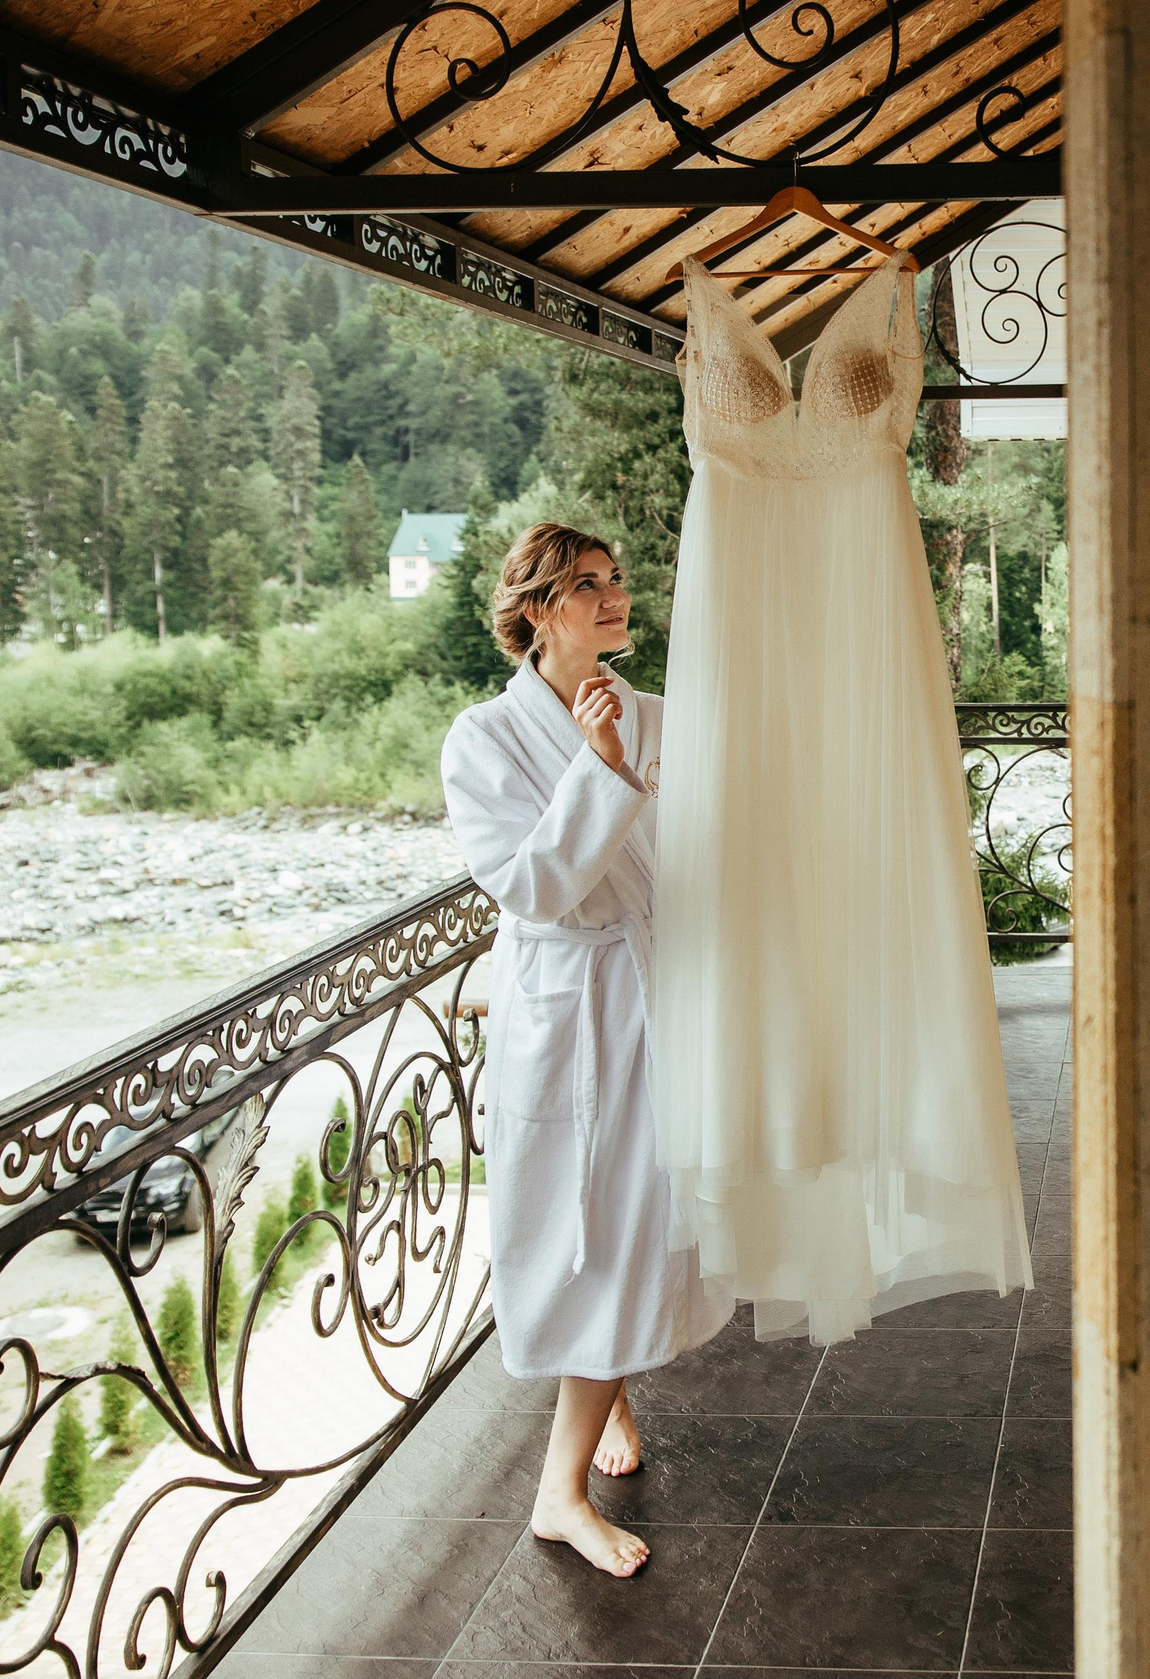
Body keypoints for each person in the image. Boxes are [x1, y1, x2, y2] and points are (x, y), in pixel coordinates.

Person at [440, 522, 730, 1579]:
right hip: (572, 1011)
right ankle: (558, 1497)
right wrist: (600, 770)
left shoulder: (655, 711)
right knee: (595, 1228)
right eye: (587, 585)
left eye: (616, 579)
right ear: (536, 609)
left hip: (661, 986)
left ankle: (607, 1391)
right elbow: (534, 887)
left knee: (634, 1220)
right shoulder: (482, 739)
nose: (614, 597)